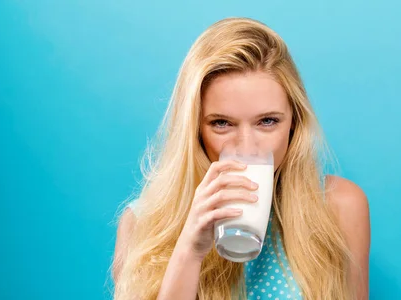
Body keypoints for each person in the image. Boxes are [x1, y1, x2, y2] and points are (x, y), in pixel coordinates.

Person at [111, 17, 370, 300]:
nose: (246, 147)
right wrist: (189, 250)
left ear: (294, 122)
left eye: (268, 121)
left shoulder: (338, 206)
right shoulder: (143, 223)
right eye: (222, 123)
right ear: (195, 129)